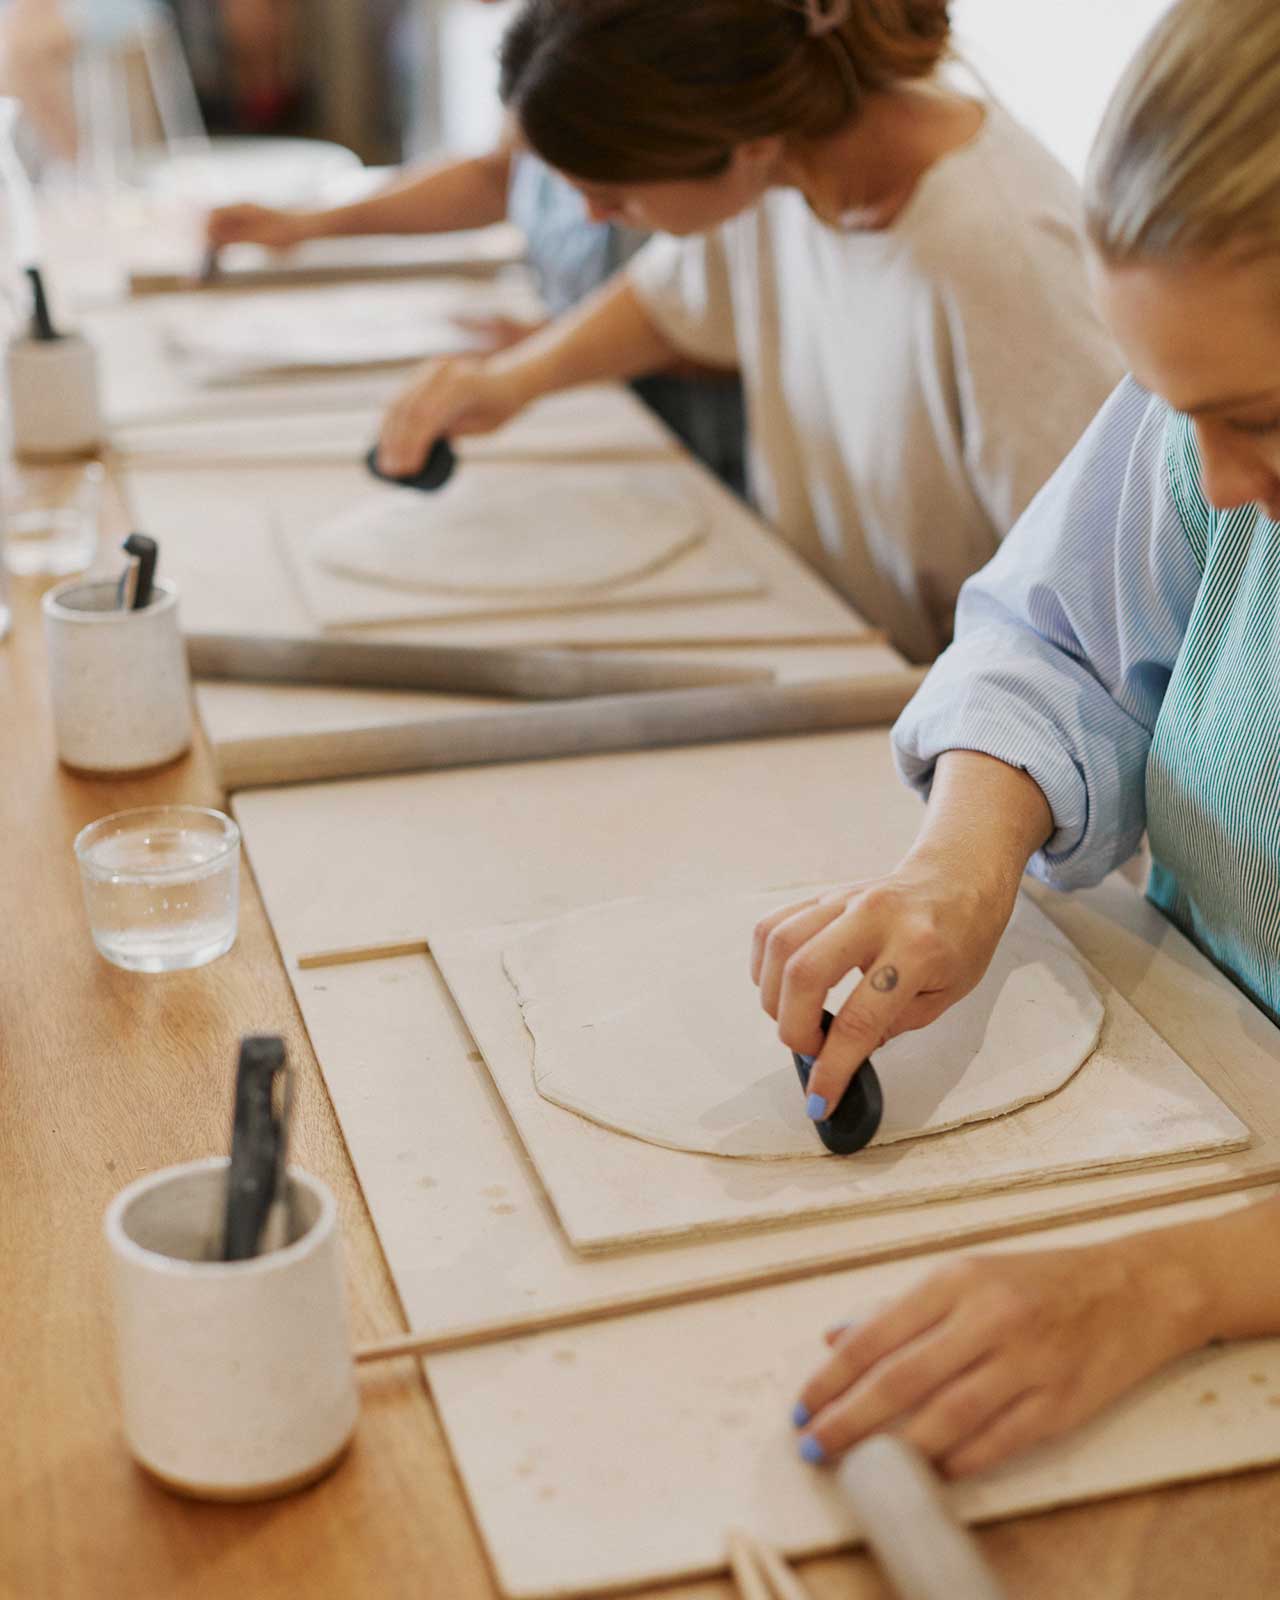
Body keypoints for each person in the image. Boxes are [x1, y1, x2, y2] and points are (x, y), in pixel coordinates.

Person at [753, 0, 1280, 1477]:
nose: (1219, 484)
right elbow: (1054, 634)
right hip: (1207, 1088)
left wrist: (1171, 1280)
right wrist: (964, 858)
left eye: (1268, 427)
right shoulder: (1213, 400)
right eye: (1186, 424)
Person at [373, 0, 1120, 663]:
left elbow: (1092, 606)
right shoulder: (783, 164)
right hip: (837, 641)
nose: (596, 217)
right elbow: (672, 298)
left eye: (615, 196)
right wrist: (510, 382)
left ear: (745, 144)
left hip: (957, 717)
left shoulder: (1001, 257)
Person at [203, 0, 747, 496]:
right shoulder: (548, 41)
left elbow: (726, 310)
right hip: (584, 393)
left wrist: (557, 352)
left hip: (692, 436)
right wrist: (309, 225)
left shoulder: (664, 40)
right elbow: (498, 176)